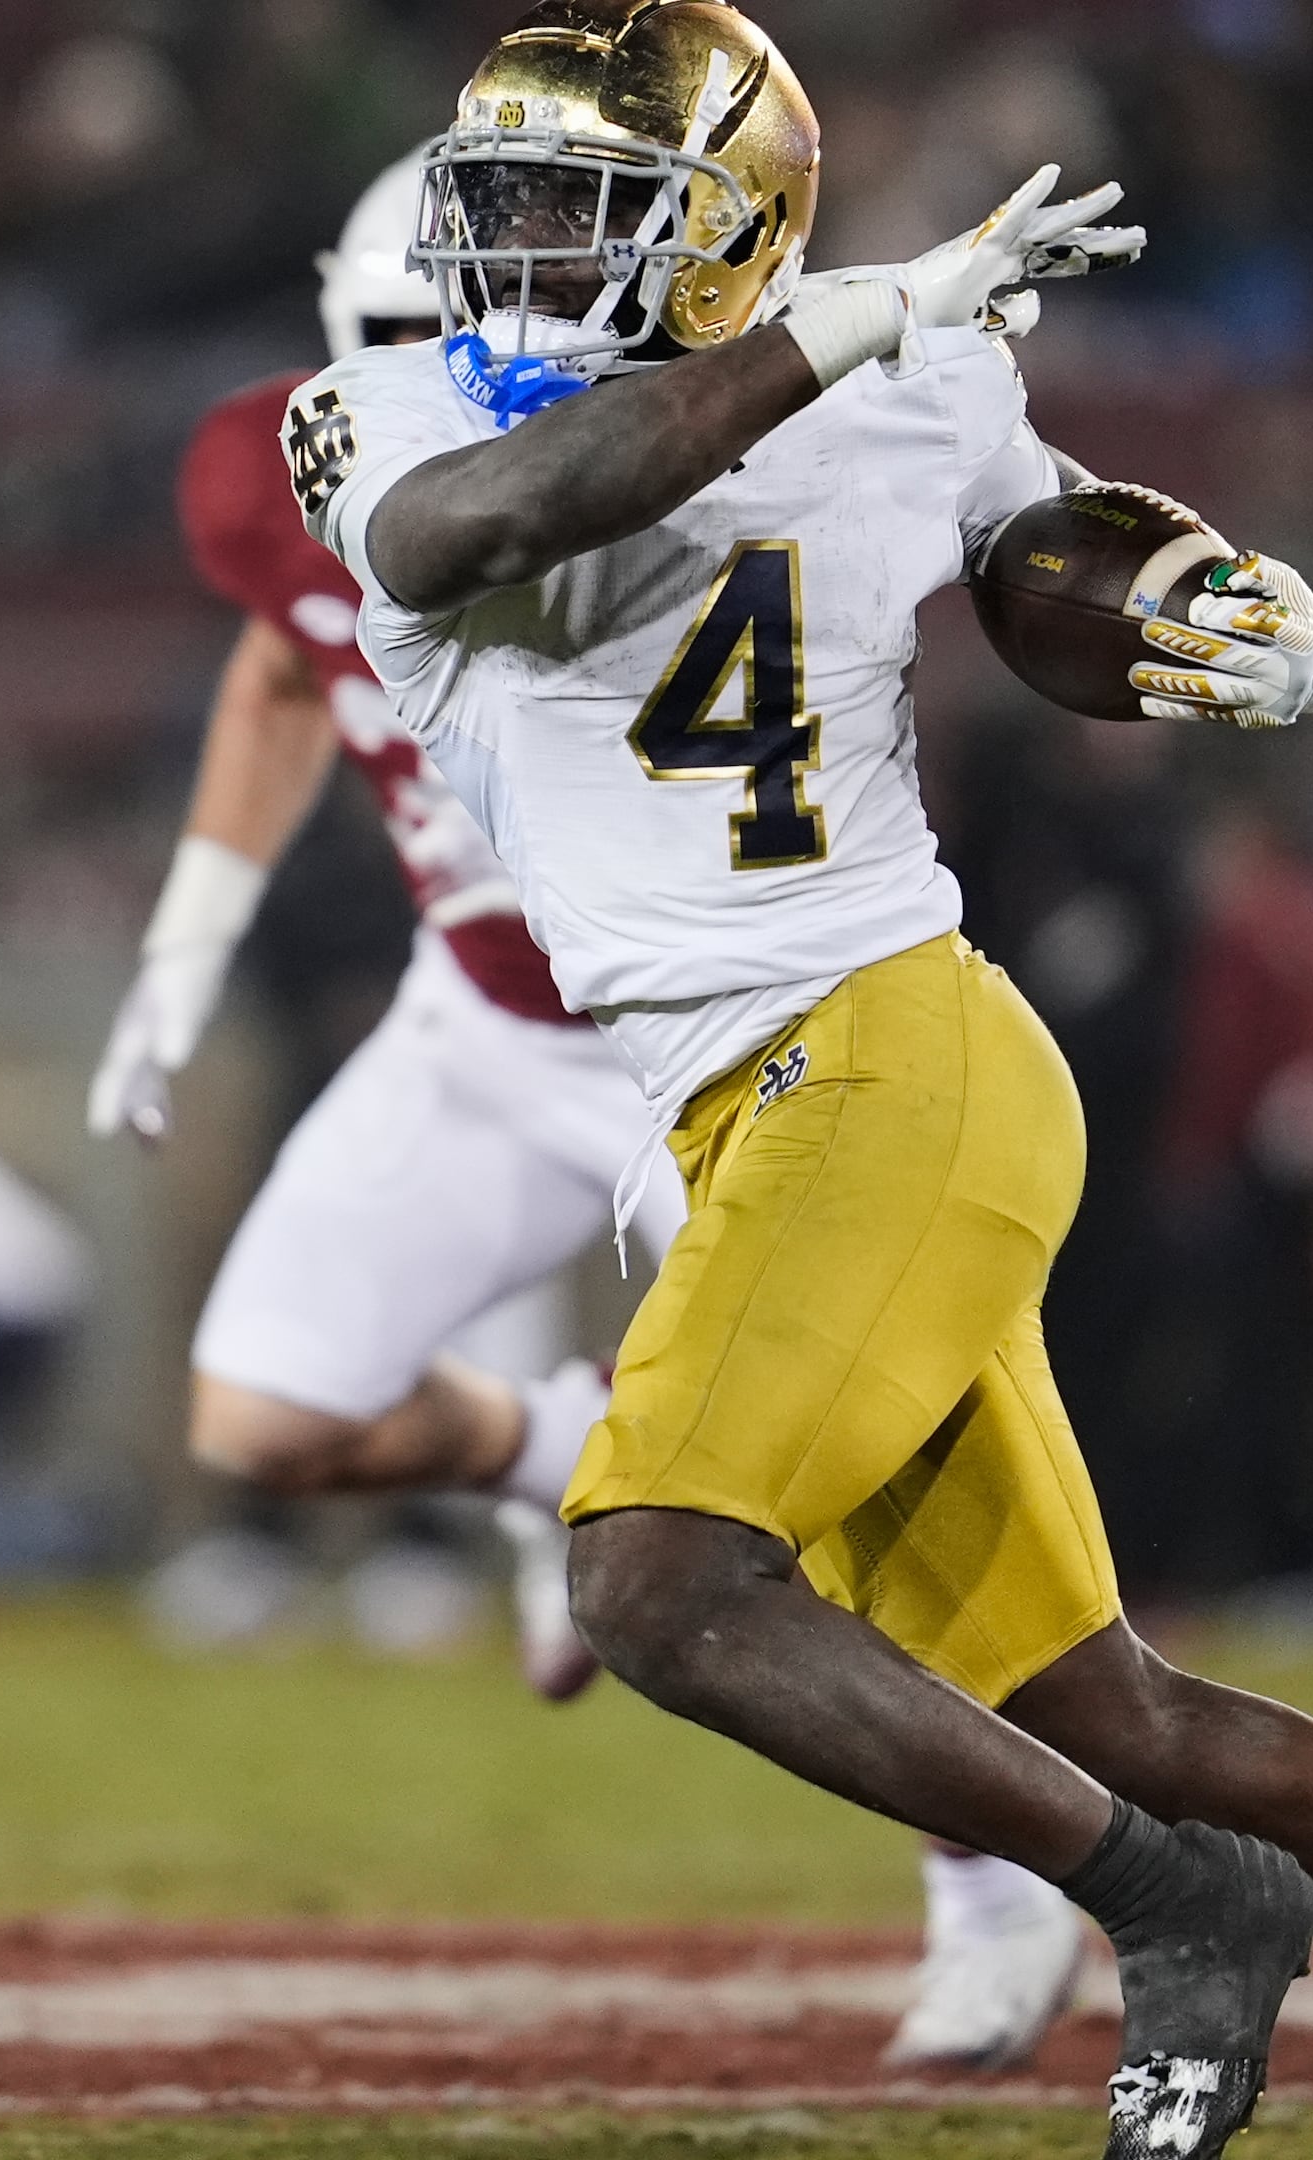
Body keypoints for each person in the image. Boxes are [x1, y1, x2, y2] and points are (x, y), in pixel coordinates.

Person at [291, 8, 1313, 2156]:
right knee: (1101, 1712)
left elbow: (1042, 562)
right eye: (511, 213)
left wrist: (1206, 601)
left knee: (655, 1577)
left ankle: (1177, 1909)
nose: (525, 261)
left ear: (720, 233)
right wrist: (836, 331)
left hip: (879, 1046)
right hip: (745, 1109)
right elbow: (515, 511)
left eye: (584, 215)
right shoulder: (385, 411)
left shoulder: (909, 375)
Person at [96, 152, 1088, 2073]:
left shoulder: (688, 446)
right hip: (477, 1025)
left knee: (832, 1544)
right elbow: (282, 667)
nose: (461, 364)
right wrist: (185, 939)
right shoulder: (311, 464)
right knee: (264, 1409)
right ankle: (564, 1445)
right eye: (402, 340)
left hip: (713, 1043)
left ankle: (995, 1877)